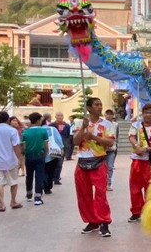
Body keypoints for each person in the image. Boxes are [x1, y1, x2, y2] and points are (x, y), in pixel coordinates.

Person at [74, 97, 115, 237]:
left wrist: (93, 137)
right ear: (89, 108)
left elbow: (110, 143)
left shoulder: (107, 124)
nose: (100, 107)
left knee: (100, 193)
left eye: (100, 104)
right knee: (83, 194)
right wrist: (84, 128)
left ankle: (104, 221)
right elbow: (75, 141)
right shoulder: (79, 123)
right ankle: (92, 221)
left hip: (99, 162)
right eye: (96, 105)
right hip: (82, 162)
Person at [127, 102, 151, 221]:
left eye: (150, 113)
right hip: (137, 161)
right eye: (146, 112)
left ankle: (149, 211)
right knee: (135, 187)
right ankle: (136, 211)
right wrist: (136, 146)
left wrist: (145, 149)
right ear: (142, 114)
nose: (148, 115)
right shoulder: (136, 125)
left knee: (150, 187)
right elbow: (131, 136)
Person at [22, 112, 49, 205]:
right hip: (39, 155)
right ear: (38, 120)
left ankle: (29, 193)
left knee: (29, 175)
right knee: (39, 176)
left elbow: (23, 146)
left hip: (29, 155)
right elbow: (46, 145)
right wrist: (45, 154)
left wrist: (24, 154)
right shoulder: (43, 131)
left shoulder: (25, 132)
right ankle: (37, 196)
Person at [43, 115, 64, 194]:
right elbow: (58, 140)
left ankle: (43, 182)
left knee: (43, 170)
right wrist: (62, 148)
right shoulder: (52, 129)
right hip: (53, 152)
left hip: (42, 153)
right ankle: (48, 187)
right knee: (51, 170)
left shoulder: (39, 129)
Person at [104, 108, 119, 190]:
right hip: (102, 149)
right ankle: (102, 182)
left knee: (110, 166)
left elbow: (117, 136)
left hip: (112, 149)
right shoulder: (101, 124)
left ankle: (108, 184)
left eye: (111, 114)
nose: (109, 116)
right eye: (107, 114)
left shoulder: (115, 125)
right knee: (102, 167)